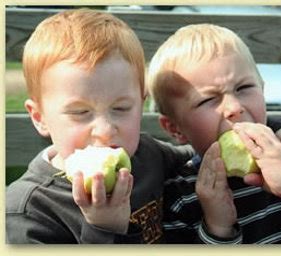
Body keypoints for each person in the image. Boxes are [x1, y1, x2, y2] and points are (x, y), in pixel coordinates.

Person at [5, 8, 195, 244]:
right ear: (40, 117)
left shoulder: (148, 154)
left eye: (121, 108)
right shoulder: (28, 212)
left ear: (141, 104)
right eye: (80, 112)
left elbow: (196, 158)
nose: (105, 131)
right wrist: (105, 229)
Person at [147, 24, 281, 243]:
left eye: (243, 87)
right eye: (208, 100)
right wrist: (217, 228)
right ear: (174, 128)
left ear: (262, 88)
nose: (234, 107)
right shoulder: (181, 197)